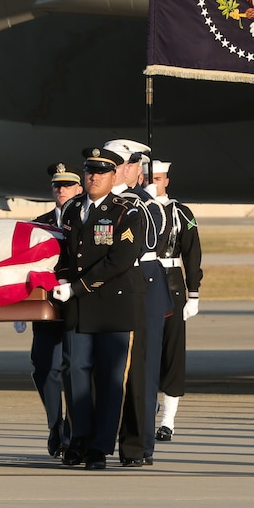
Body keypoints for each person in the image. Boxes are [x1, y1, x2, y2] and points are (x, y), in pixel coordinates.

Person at [52, 147, 145, 469]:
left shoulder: (127, 211)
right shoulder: (73, 208)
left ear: (114, 176)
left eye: (101, 172)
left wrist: (77, 287)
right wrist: (62, 283)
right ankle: (79, 439)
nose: (93, 177)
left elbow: (120, 259)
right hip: (78, 308)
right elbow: (64, 254)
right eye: (90, 171)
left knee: (110, 379)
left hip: (112, 306)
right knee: (75, 374)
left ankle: (99, 447)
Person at [105, 137, 173, 466]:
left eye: (117, 165)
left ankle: (140, 444)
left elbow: (149, 240)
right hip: (107, 291)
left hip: (142, 289)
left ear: (135, 168)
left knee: (141, 374)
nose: (112, 172)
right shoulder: (97, 202)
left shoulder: (144, 204)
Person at [29, 162, 82, 459]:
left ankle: (72, 434)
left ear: (78, 188)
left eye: (67, 185)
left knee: (73, 368)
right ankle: (55, 425)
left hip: (77, 302)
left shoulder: (87, 218)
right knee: (43, 366)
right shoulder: (40, 223)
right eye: (56, 186)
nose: (60, 190)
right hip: (47, 304)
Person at [148, 160, 203, 442]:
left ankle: (168, 419)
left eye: (158, 178)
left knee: (172, 352)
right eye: (150, 178)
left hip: (170, 283)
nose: (153, 183)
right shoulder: (136, 208)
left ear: (167, 180)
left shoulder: (181, 212)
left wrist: (193, 292)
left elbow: (192, 254)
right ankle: (146, 405)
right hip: (142, 282)